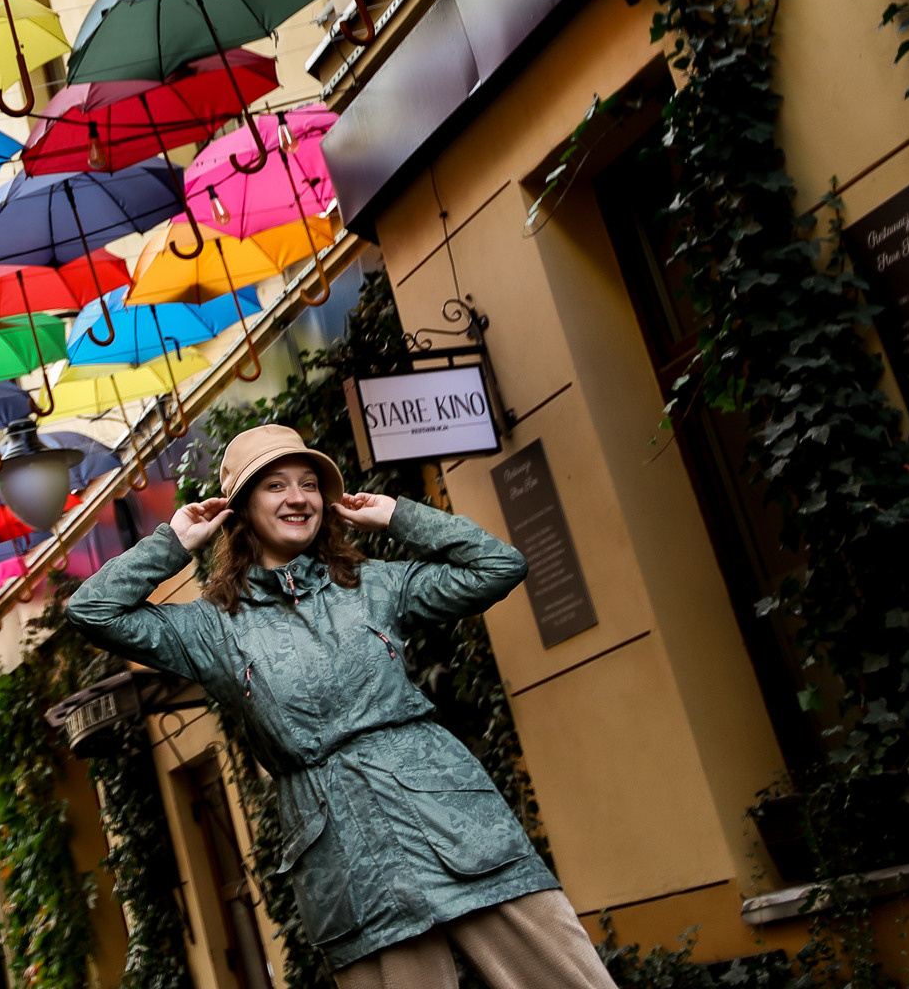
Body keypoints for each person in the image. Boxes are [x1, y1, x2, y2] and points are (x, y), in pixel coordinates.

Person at [66, 423, 614, 989]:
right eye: (275, 485)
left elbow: (498, 567)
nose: (298, 497)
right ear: (239, 507)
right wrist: (173, 544)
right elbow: (93, 611)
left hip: (459, 827)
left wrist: (399, 517)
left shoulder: (375, 586)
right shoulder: (211, 627)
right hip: (349, 862)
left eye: (308, 483)